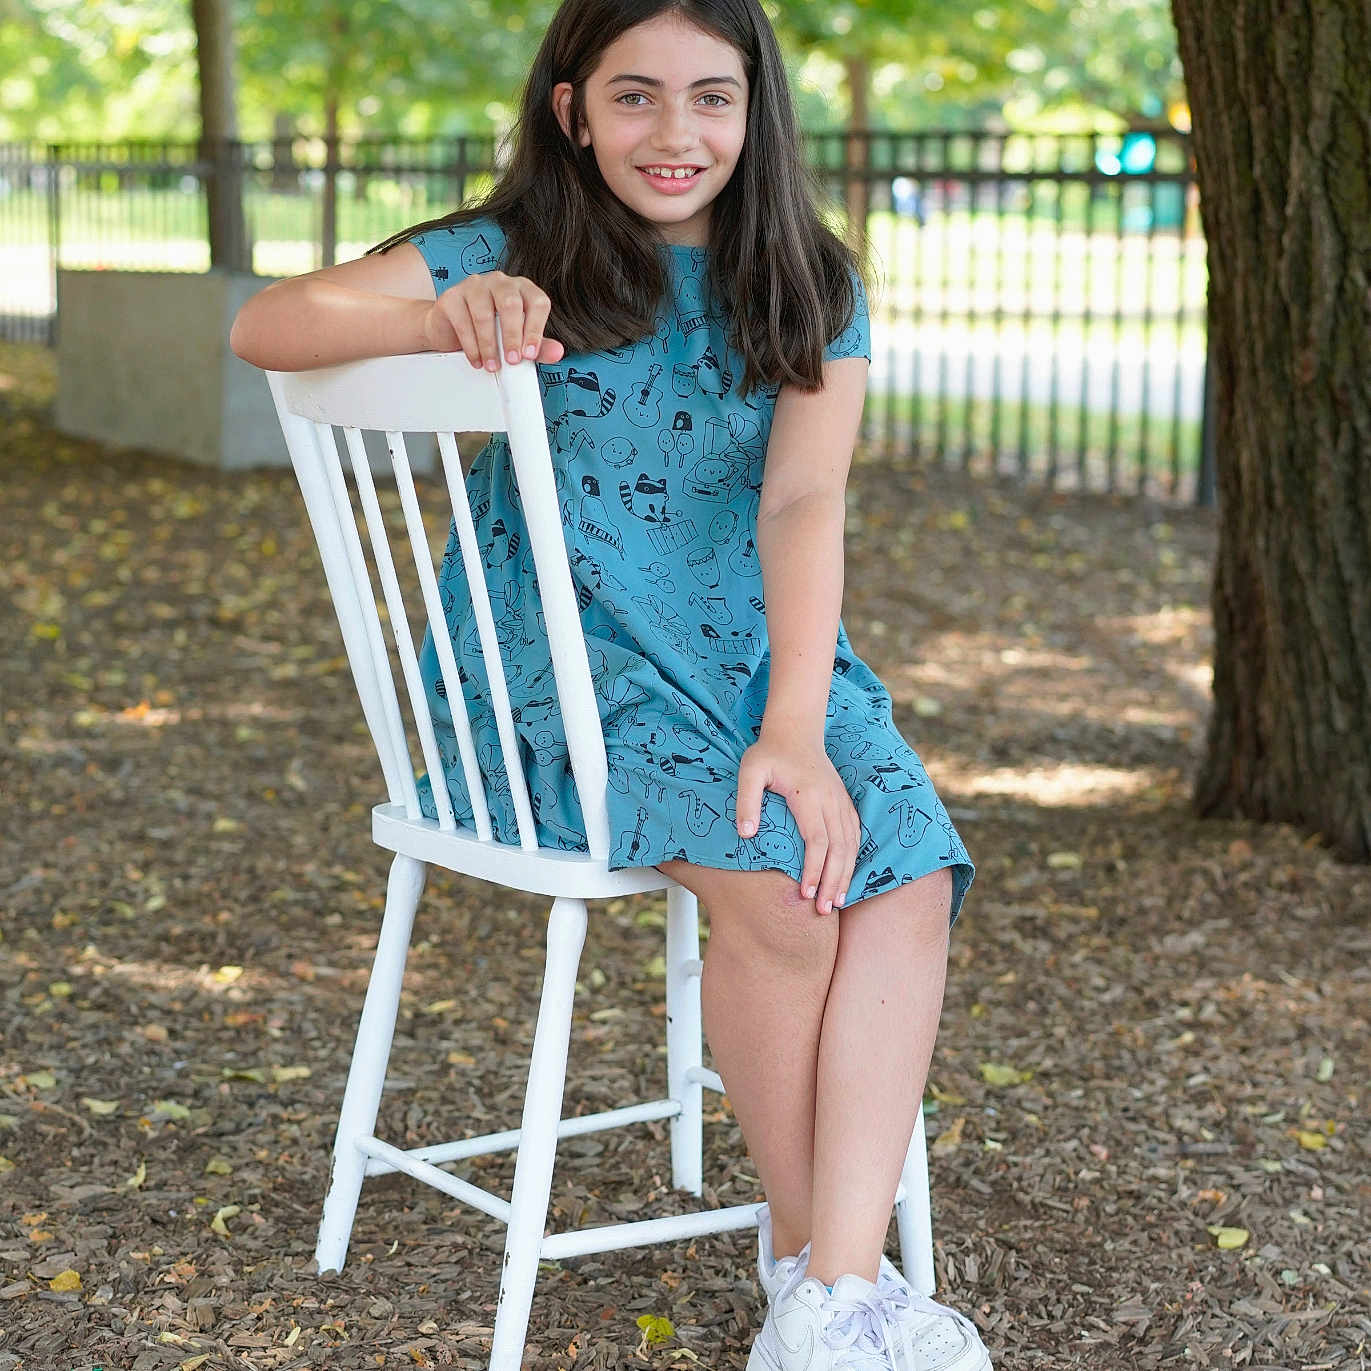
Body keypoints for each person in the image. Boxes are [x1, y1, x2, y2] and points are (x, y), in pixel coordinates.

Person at [230, 2, 986, 1367]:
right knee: (784, 895)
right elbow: (270, 324)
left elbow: (803, 503)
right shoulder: (510, 254)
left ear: (755, 110)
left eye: (711, 95)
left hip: (757, 658)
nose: (675, 131)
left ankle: (832, 1281)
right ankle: (828, 1278)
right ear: (571, 110)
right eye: (634, 95)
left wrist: (797, 725)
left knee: (906, 872)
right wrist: (435, 320)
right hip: (560, 680)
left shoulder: (807, 279)